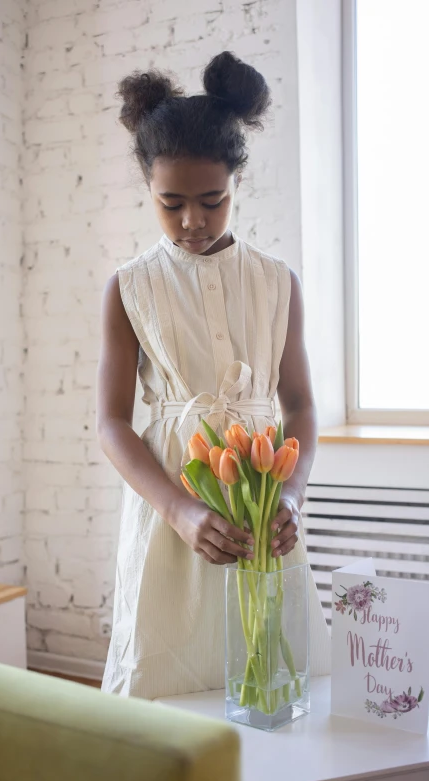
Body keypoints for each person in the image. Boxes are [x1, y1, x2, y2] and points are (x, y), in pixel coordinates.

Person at [97, 51, 330, 699]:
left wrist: (290, 495)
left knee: (273, 674)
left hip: (261, 503)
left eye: (212, 200)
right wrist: (177, 509)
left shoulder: (277, 281)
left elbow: (302, 405)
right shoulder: (130, 287)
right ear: (148, 188)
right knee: (167, 679)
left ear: (236, 185)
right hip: (173, 507)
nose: (192, 220)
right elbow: (111, 422)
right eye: (171, 204)